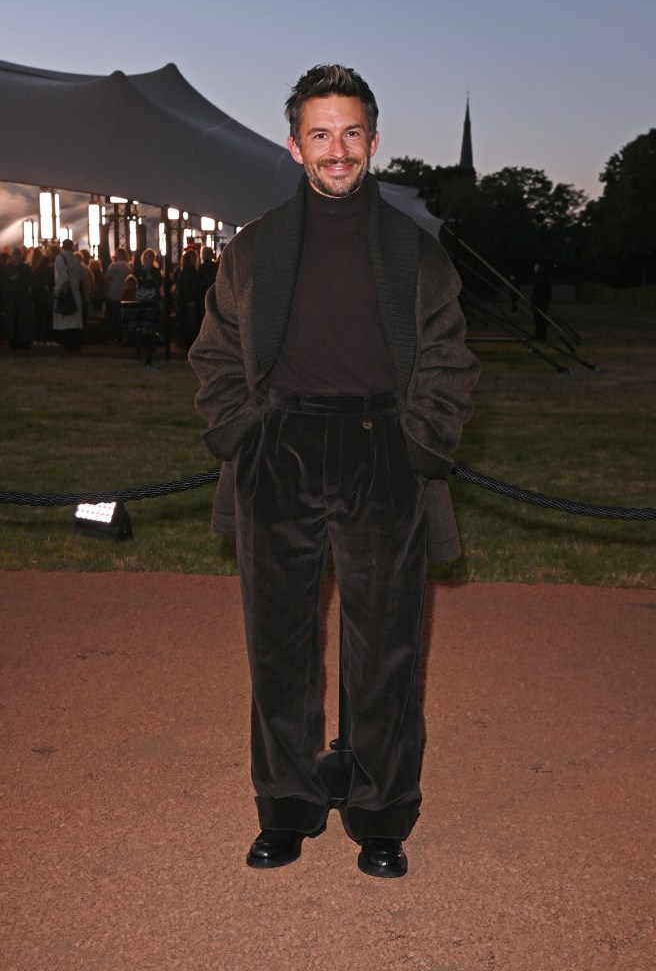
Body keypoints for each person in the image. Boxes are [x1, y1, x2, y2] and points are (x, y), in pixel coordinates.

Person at [188, 64, 480, 879]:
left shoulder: (414, 252)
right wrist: (241, 432)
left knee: (385, 646)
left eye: (351, 132)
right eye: (320, 133)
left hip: (381, 450)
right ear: (294, 146)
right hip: (277, 452)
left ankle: (380, 814)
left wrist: (417, 445)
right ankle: (285, 807)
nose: (337, 149)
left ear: (373, 141)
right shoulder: (253, 248)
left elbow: (452, 361)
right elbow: (213, 353)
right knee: (276, 646)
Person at [53, 239, 90, 351]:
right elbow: (84, 274)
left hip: (65, 294)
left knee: (65, 321)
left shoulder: (60, 258)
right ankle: (75, 344)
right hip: (75, 293)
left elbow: (62, 278)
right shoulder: (74, 258)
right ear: (72, 247)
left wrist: (56, 292)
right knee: (75, 322)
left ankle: (67, 344)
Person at [134, 248, 163, 368]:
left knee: (151, 325)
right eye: (148, 256)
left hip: (152, 300)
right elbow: (141, 282)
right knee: (142, 325)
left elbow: (158, 282)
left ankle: (150, 346)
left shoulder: (156, 271)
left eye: (152, 256)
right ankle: (142, 346)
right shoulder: (139, 270)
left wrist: (148, 281)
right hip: (143, 300)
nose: (150, 258)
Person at [1, 247, 33, 349]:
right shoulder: (8, 268)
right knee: (14, 321)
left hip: (20, 298)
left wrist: (14, 281)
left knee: (21, 321)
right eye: (15, 254)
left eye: (17, 254)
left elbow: (28, 282)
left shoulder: (24, 268)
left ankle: (21, 341)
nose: (16, 256)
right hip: (13, 298)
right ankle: (14, 341)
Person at [104, 247, 132, 341]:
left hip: (112, 294)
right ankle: (121, 336)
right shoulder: (129, 267)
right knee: (121, 317)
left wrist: (106, 291)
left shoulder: (113, 266)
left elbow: (107, 279)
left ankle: (112, 336)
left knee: (112, 317)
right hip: (123, 294)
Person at [530, 262, 552, 341]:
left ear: (541, 268)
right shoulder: (535, 278)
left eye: (538, 267)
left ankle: (543, 335)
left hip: (541, 302)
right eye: (535, 267)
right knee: (536, 320)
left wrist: (546, 302)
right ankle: (537, 334)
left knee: (542, 320)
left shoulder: (545, 278)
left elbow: (547, 291)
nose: (536, 269)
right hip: (535, 302)